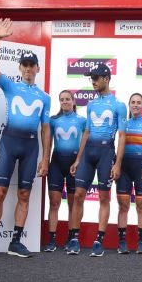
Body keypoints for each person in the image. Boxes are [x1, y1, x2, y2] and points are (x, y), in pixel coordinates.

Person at [0, 18, 51, 258]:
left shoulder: (45, 97)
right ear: (20, 68)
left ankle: (15, 241)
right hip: (9, 142)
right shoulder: (10, 86)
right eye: (25, 65)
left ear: (38, 69)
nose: (29, 68)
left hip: (31, 146)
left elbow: (45, 129)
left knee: (24, 194)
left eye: (32, 65)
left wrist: (45, 158)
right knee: (0, 192)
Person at [67, 63, 127, 256]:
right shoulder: (91, 104)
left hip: (106, 152)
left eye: (96, 78)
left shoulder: (119, 105)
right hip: (88, 152)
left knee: (103, 197)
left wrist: (118, 164)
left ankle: (99, 240)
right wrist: (78, 159)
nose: (92, 81)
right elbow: (86, 132)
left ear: (106, 79)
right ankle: (74, 238)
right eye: (91, 78)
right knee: (78, 194)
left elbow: (122, 136)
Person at [44, 90, 86, 252]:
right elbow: (48, 144)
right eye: (62, 99)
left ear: (74, 101)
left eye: (68, 99)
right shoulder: (53, 120)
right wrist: (45, 161)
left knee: (73, 204)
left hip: (74, 165)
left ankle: (72, 237)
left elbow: (86, 144)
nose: (65, 102)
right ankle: (51, 239)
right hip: (56, 164)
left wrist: (79, 161)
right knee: (54, 203)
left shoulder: (82, 121)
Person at [116, 93, 142, 254]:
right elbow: (118, 144)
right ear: (129, 105)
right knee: (123, 206)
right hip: (124, 167)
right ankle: (122, 242)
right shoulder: (123, 123)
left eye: (139, 102)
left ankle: (141, 242)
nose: (135, 105)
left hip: (141, 167)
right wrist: (116, 165)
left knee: (141, 206)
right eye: (133, 102)